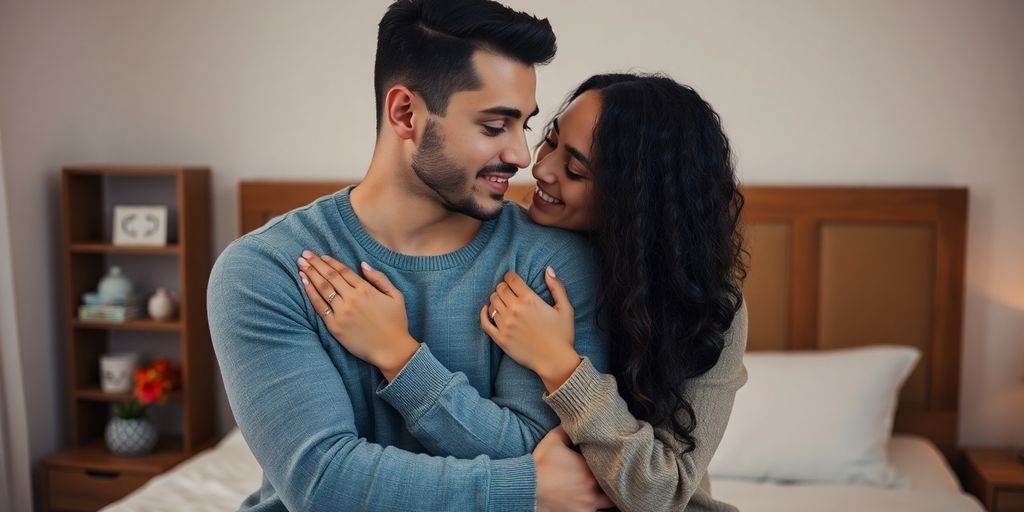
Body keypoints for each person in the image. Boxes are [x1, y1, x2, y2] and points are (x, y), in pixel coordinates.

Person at [208, 1, 612, 510]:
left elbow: (548, 454)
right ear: (405, 114)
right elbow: (322, 483)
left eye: (524, 126)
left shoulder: (551, 262)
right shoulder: (266, 269)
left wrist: (403, 360)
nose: (521, 156)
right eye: (494, 126)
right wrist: (523, 488)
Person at [302, 73, 749, 511]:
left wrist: (559, 364)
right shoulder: (525, 259)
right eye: (550, 140)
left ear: (636, 201)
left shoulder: (706, 308)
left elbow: (660, 493)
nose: (539, 168)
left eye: (575, 170)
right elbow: (525, 457)